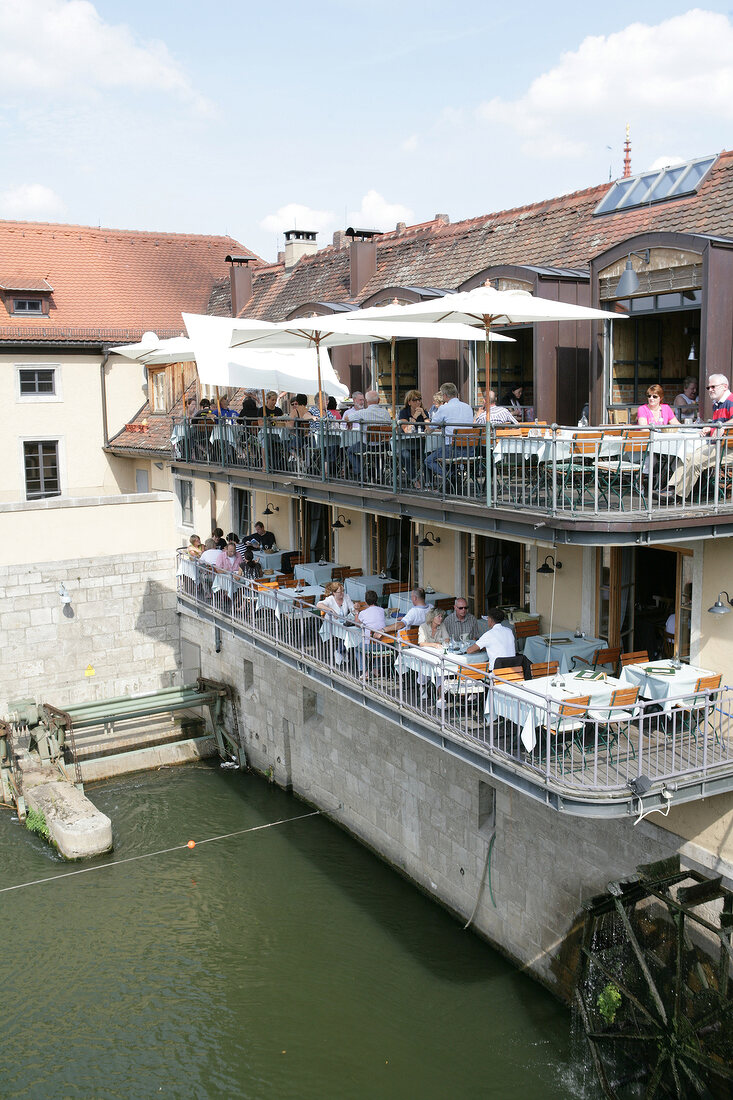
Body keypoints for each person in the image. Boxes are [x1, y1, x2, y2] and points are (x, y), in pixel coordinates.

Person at [662, 374, 733, 501]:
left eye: (713, 387)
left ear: (724, 387)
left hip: (728, 448)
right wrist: (711, 427)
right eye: (708, 387)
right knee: (686, 456)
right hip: (718, 445)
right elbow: (718, 424)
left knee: (695, 461)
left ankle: (678, 495)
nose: (710, 389)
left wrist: (721, 426)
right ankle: (670, 488)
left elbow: (725, 423)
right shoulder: (717, 403)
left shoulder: (730, 400)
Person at [424, 382, 474, 486]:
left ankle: (449, 475)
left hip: (452, 450)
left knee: (428, 460)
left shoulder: (444, 408)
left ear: (445, 396)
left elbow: (431, 427)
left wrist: (426, 425)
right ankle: (453, 478)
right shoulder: (468, 407)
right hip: (470, 450)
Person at [346, 390, 392, 477]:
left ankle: (360, 471)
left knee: (350, 451)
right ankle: (379, 474)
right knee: (379, 453)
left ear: (367, 401)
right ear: (378, 400)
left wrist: (349, 422)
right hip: (383, 445)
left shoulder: (363, 412)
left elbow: (346, 418)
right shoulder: (386, 413)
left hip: (367, 445)